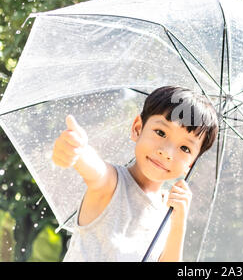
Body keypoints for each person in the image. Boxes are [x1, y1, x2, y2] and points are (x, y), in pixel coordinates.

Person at [52, 86, 219, 262]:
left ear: (190, 164)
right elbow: (96, 171)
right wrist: (78, 151)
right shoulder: (113, 184)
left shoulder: (168, 213)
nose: (167, 152)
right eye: (161, 132)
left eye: (185, 148)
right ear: (137, 128)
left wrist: (179, 223)